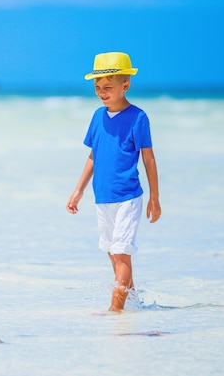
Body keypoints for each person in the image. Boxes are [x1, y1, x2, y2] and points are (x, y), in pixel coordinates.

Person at [66, 52, 161, 312]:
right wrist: (78, 191)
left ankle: (115, 311)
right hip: (102, 197)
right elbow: (93, 156)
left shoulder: (138, 118)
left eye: (108, 87)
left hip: (128, 196)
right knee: (112, 251)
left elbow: (149, 159)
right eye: (97, 87)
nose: (102, 92)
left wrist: (154, 197)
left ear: (125, 85)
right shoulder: (97, 117)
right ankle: (132, 305)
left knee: (121, 252)